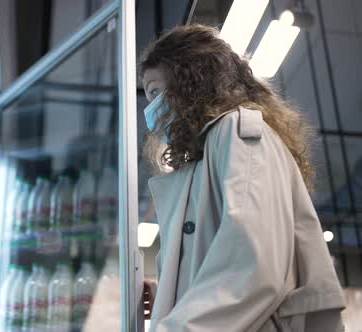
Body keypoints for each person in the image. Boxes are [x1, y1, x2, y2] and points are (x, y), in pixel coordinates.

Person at [139, 24, 346, 332]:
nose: (150, 108)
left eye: (155, 91)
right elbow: (226, 260)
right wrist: (165, 294)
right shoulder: (205, 158)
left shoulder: (238, 132)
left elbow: (253, 265)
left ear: (188, 78)